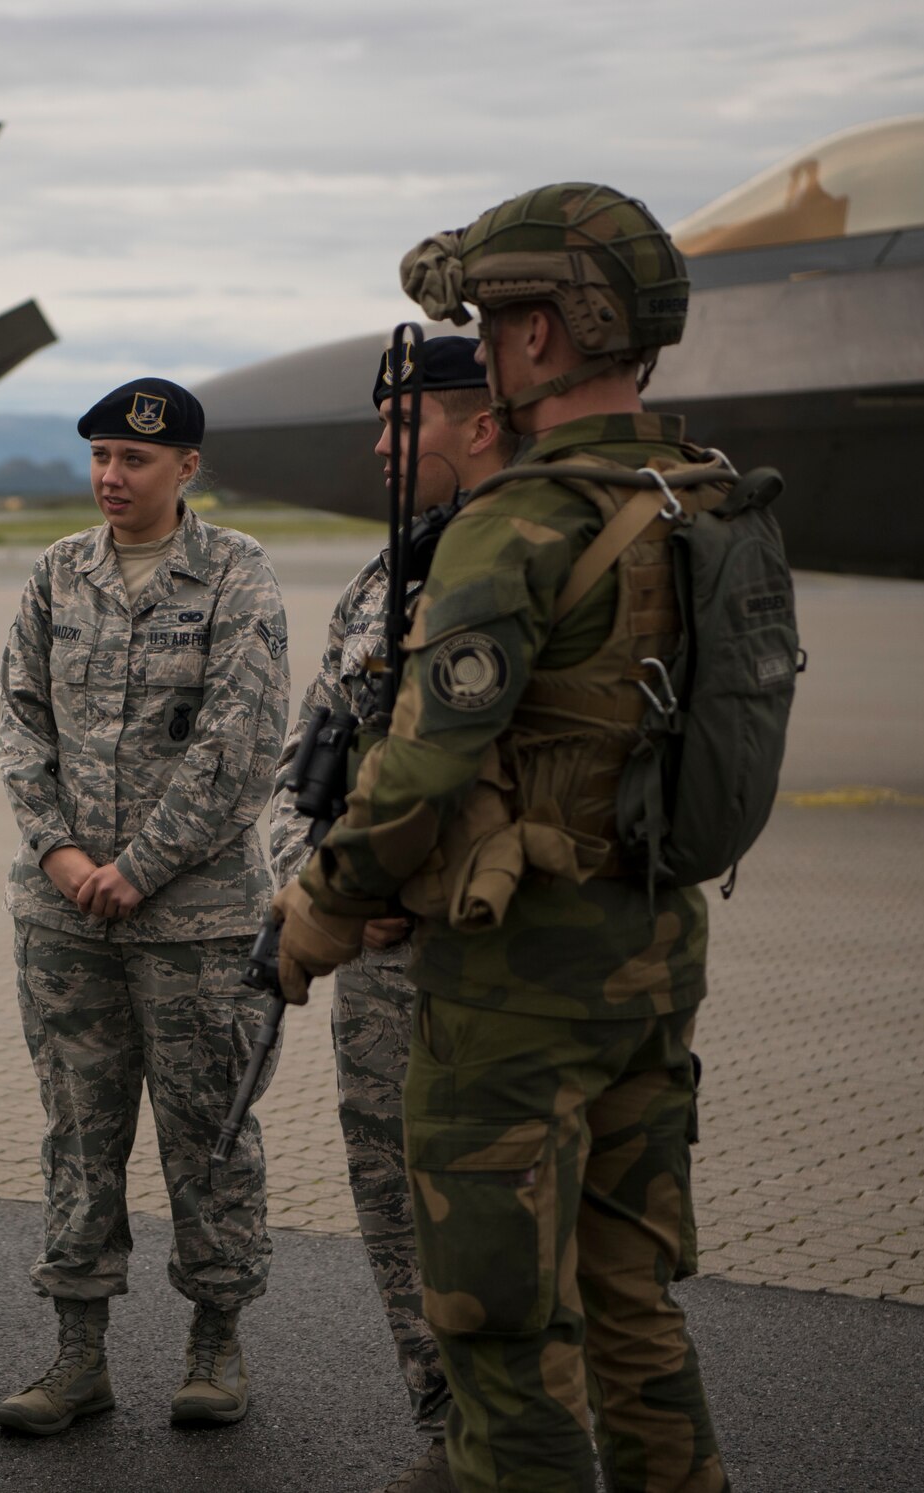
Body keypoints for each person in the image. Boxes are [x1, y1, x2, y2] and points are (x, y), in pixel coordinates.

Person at [272, 185, 734, 1492]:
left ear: (541, 336)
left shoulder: (518, 521)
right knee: (635, 1302)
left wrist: (311, 916)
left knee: (497, 1325)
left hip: (518, 986)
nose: (490, 340)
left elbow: (420, 768)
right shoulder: (700, 499)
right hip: (651, 946)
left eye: (494, 316)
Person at [0, 378, 291, 1436]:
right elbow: (21, 726)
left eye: (134, 459)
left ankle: (216, 1342)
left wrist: (139, 866)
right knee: (77, 1134)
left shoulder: (237, 577)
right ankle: (77, 1354)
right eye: (100, 457)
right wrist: (63, 854)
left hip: (197, 924)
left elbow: (241, 744)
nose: (112, 476)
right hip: (64, 920)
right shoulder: (54, 574)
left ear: (185, 468)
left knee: (207, 1136)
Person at [267, 335, 511, 1493]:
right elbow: (305, 757)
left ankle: (513, 1440)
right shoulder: (383, 575)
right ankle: (444, 1433)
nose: (376, 445)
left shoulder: (518, 564)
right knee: (386, 1196)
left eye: (401, 424)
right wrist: (311, 877)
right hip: (368, 960)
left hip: (479, 960)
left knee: (493, 1212)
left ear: (479, 425)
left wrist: (359, 892)